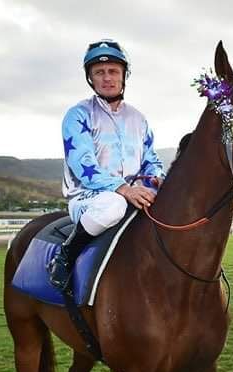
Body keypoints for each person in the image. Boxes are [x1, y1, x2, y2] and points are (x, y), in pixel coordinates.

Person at [49, 39, 165, 291]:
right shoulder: (77, 115)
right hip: (91, 198)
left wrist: (156, 180)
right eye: (99, 73)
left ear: (124, 76)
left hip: (133, 193)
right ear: (90, 78)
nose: (107, 78)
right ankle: (66, 255)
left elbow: (151, 160)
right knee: (114, 205)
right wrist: (125, 190)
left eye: (113, 71)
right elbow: (83, 164)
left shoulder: (138, 118)